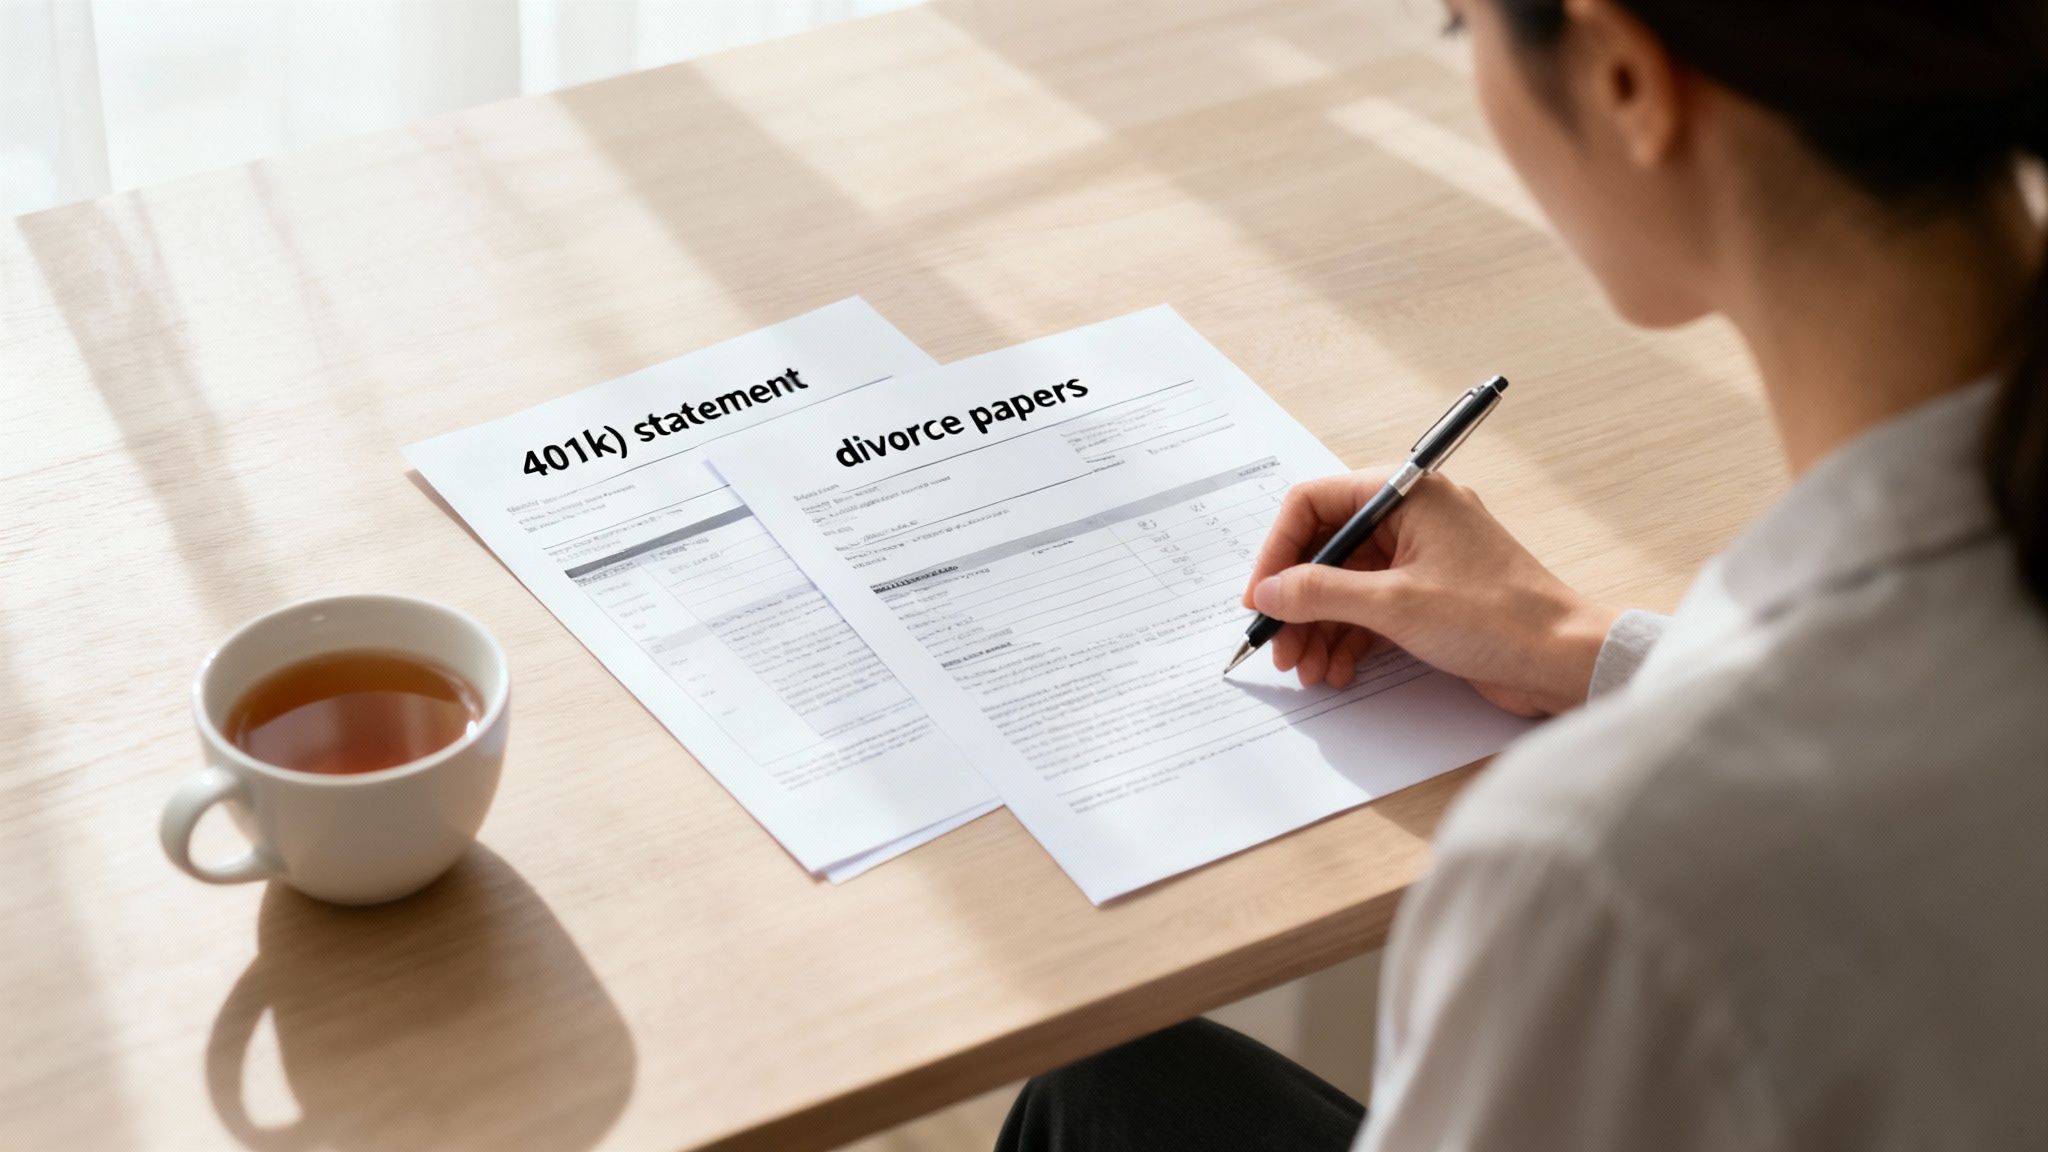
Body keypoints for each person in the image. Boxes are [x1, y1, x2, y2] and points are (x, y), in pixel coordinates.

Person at [997, 0, 2048, 1148]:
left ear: (1622, 81)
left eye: (1459, 25)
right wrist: (1582, 649)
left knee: (1098, 1100)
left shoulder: (1604, 874)